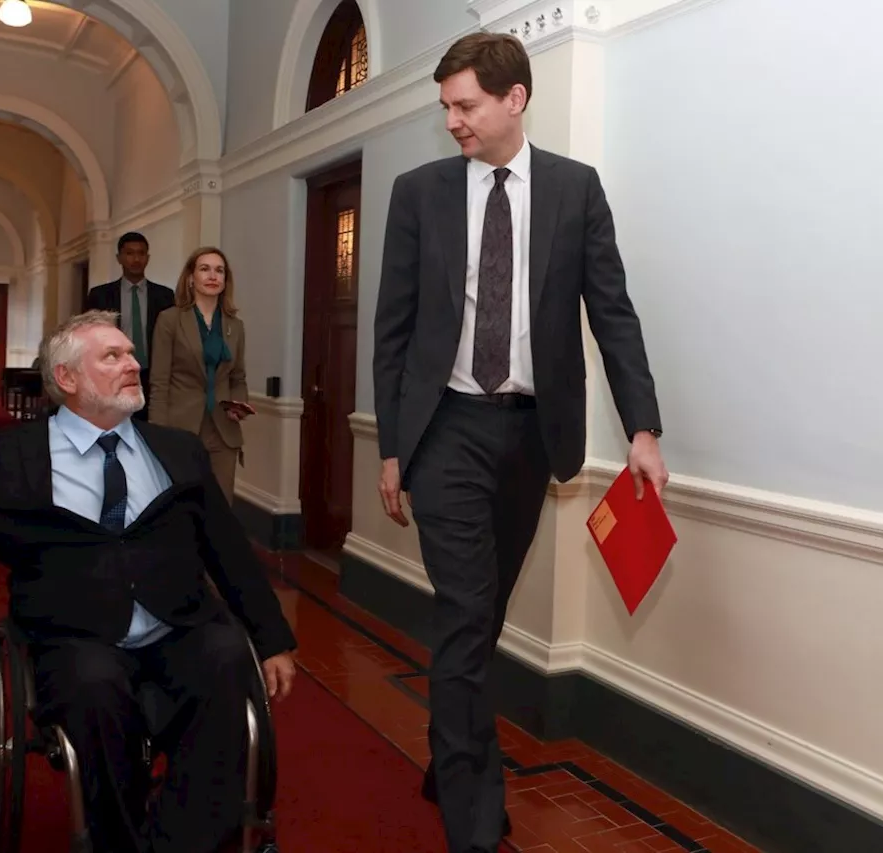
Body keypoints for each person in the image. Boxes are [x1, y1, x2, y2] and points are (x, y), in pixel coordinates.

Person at [372, 32, 670, 853]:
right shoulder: (418, 193)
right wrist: (392, 447)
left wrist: (642, 427)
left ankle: (449, 750)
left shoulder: (576, 190)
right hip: (445, 431)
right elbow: (391, 329)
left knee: (485, 605)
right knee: (467, 614)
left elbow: (612, 312)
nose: (454, 122)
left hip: (533, 436)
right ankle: (474, 818)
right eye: (446, 109)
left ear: (515, 98)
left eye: (465, 106)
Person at [0, 310, 297, 853]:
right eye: (113, 356)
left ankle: (183, 842)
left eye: (131, 353)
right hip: (73, 635)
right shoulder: (0, 459)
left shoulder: (178, 450)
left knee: (228, 658)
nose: (133, 364)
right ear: (67, 378)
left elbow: (228, 552)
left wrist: (272, 639)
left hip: (177, 625)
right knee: (93, 686)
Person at [148, 247, 251, 502]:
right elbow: (159, 382)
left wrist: (238, 405)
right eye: (204, 269)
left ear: (226, 280)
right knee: (182, 505)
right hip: (181, 427)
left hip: (223, 429)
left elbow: (238, 377)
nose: (212, 276)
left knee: (220, 505)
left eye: (219, 271)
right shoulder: (170, 320)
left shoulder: (235, 326)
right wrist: (158, 435)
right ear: (191, 277)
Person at [84, 231, 176, 419]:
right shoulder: (100, 295)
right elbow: (88, 337)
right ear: (119, 258)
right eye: (130, 253)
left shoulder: (165, 296)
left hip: (153, 376)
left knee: (149, 432)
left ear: (147, 258)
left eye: (141, 253)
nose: (136, 259)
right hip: (113, 373)